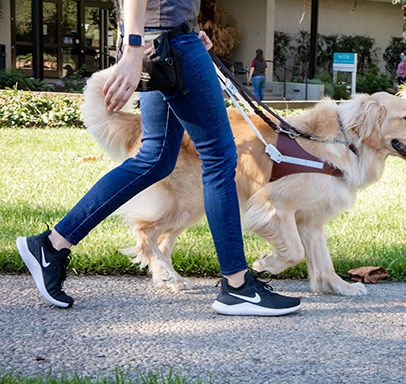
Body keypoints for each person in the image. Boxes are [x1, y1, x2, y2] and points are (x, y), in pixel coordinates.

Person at [15, 0, 301, 317]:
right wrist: (132, 46)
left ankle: (51, 245)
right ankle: (237, 286)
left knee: (155, 157)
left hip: (166, 40)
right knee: (219, 157)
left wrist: (184, 30)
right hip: (168, 44)